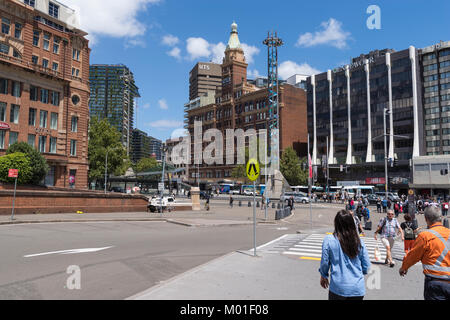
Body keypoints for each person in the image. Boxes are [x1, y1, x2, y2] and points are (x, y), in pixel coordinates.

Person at [399, 206, 450, 300]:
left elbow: (413, 255)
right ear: (441, 217)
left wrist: (404, 267)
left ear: (426, 219)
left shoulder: (425, 236)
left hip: (435, 283)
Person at [319, 210, 371, 300]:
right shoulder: (358, 241)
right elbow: (367, 266)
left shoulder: (329, 240)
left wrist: (324, 275)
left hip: (338, 287)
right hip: (357, 288)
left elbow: (325, 262)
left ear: (336, 223)